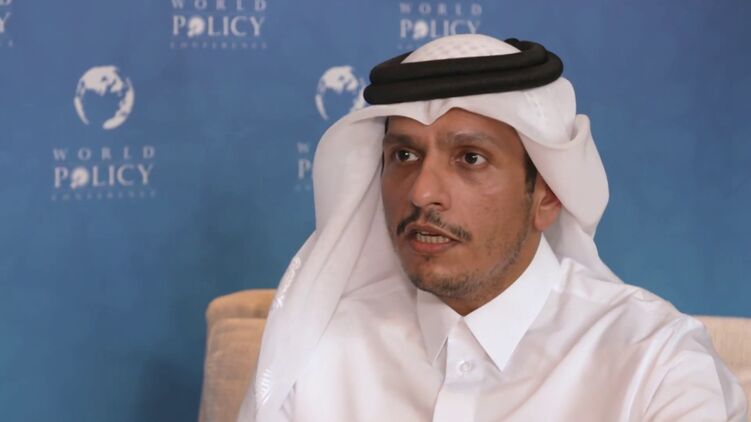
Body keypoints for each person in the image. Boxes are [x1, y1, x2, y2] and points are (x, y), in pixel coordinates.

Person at [238, 34, 748, 421]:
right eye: (404, 155)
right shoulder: (316, 350)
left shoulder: (656, 364)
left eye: (470, 158)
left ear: (547, 194)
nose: (421, 192)